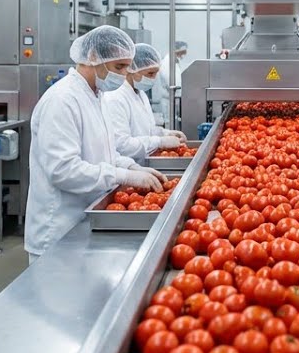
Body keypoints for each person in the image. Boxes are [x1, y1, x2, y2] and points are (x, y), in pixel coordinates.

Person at [25, 26, 167, 264]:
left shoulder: (96, 96)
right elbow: (62, 170)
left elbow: (106, 151)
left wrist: (131, 167)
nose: (124, 74)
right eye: (119, 67)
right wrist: (123, 176)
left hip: (87, 217)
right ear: (92, 57)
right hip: (59, 228)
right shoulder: (62, 100)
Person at [104, 43, 189, 159]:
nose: (153, 79)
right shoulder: (115, 98)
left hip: (144, 160)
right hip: (128, 165)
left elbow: (147, 129)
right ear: (132, 69)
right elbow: (121, 145)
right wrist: (159, 142)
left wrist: (165, 133)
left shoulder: (140, 93)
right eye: (150, 74)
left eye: (155, 74)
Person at [151, 40, 188, 126]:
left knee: (174, 122)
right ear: (176, 50)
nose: (184, 54)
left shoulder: (174, 62)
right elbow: (171, 82)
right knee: (169, 123)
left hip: (174, 98)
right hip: (168, 99)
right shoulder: (167, 62)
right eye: (183, 51)